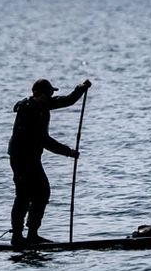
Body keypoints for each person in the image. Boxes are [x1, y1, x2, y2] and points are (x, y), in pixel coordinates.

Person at [7, 77, 91, 247]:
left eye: (51, 94)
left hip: (32, 158)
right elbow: (44, 140)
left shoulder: (43, 105)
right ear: (37, 93)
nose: (51, 97)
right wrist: (69, 152)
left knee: (41, 192)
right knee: (24, 195)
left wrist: (80, 89)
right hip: (20, 158)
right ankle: (17, 236)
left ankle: (32, 234)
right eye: (48, 93)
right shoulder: (28, 109)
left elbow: (67, 100)